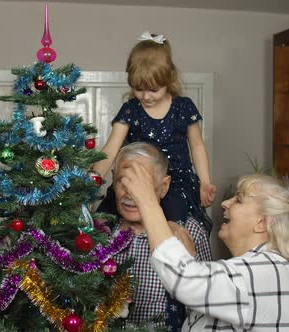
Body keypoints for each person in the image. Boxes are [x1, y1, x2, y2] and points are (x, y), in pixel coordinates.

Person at [93, 31, 217, 330]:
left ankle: (173, 312)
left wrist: (205, 181)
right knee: (103, 224)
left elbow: (197, 145)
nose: (146, 96)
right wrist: (93, 177)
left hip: (175, 185)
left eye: (154, 90)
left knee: (172, 235)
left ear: (169, 78)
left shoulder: (184, 107)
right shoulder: (131, 110)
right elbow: (111, 147)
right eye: (138, 89)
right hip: (137, 178)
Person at [118, 163, 289, 331]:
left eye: (238, 199)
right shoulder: (254, 269)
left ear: (262, 222)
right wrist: (190, 260)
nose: (225, 203)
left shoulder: (266, 270)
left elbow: (183, 282)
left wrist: (147, 201)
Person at [109, 142, 212, 328]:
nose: (130, 194)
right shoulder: (102, 233)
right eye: (123, 182)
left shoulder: (188, 231)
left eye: (142, 186)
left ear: (164, 186)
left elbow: (203, 309)